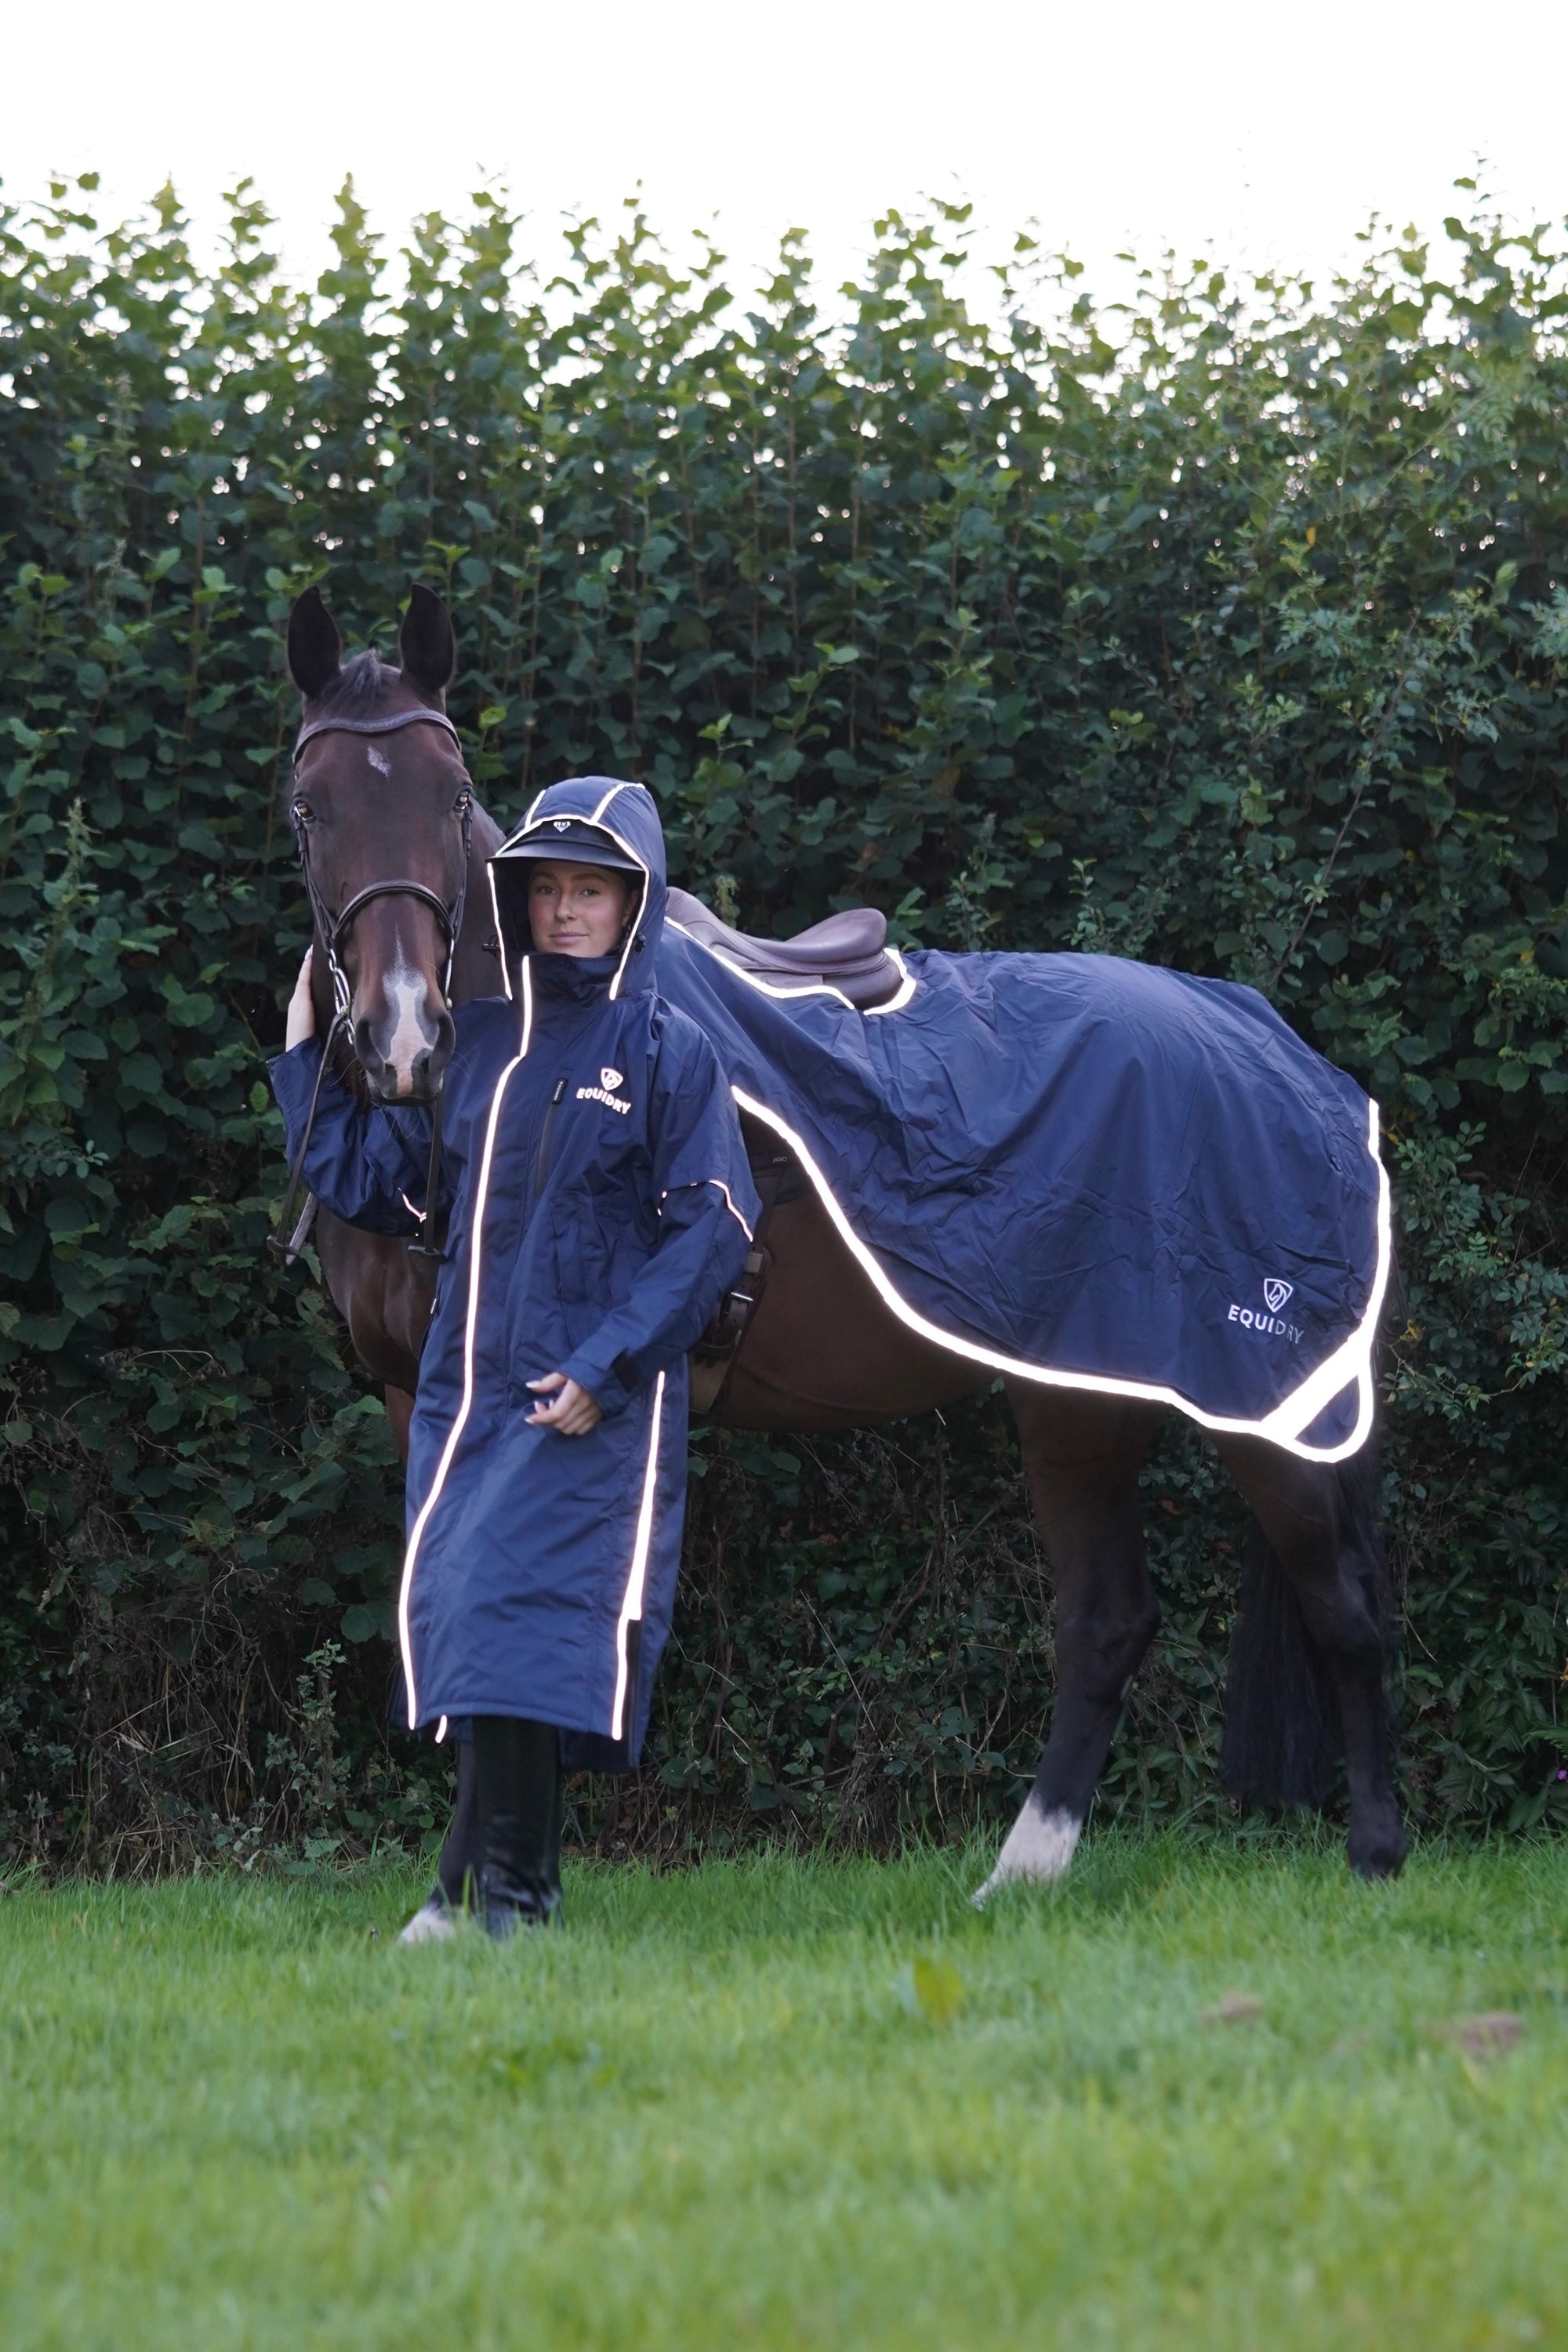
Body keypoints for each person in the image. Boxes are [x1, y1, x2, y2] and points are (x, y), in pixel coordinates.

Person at [270, 778, 759, 1936]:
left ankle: (512, 1907)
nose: (568, 911)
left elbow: (714, 1226)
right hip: (468, 1401)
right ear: (520, 902)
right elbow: (375, 1183)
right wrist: (302, 1053)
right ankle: (508, 1906)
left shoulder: (668, 1049)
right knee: (480, 1631)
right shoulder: (478, 1048)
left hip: (584, 1400)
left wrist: (608, 1364)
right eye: (549, 890)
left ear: (634, 904)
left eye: (593, 890)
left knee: (527, 1638)